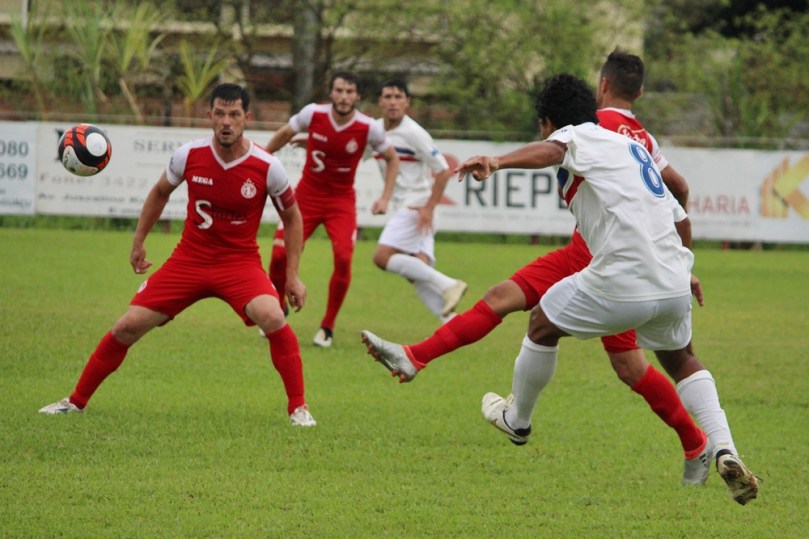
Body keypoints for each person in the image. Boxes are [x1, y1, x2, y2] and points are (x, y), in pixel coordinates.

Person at [363, 73, 759, 505]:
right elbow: (678, 209)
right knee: (679, 358)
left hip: (617, 273)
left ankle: (519, 420)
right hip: (662, 274)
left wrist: (498, 162)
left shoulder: (576, 136)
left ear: (548, 121)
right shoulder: (629, 146)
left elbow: (553, 150)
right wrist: (684, 268)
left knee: (549, 328)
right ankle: (723, 448)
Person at [39, 83, 317, 427]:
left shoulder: (267, 165)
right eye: (219, 114)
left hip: (239, 263)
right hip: (189, 260)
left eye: (234, 115)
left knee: (273, 317)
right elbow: (160, 192)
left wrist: (292, 275)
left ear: (247, 117)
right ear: (209, 116)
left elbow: (292, 217)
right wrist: (139, 240)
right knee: (126, 326)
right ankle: (75, 401)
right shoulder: (188, 155)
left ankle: (299, 409)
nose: (226, 122)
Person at [266, 71, 399, 348]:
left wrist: (386, 197)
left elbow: (391, 158)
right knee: (279, 254)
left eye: (350, 91)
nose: (344, 96)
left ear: (358, 96)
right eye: (339, 90)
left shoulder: (368, 127)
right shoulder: (312, 114)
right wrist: (262, 159)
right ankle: (277, 308)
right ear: (331, 93)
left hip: (341, 202)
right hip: (306, 197)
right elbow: (286, 132)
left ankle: (327, 326)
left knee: (343, 257)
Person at [371, 79, 468, 323]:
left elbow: (444, 171)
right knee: (418, 268)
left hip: (417, 204)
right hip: (409, 205)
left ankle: (449, 283)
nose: (393, 102)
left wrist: (429, 208)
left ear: (407, 102)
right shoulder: (373, 130)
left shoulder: (414, 133)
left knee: (382, 257)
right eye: (388, 97)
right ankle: (451, 323)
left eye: (398, 97)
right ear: (380, 102)